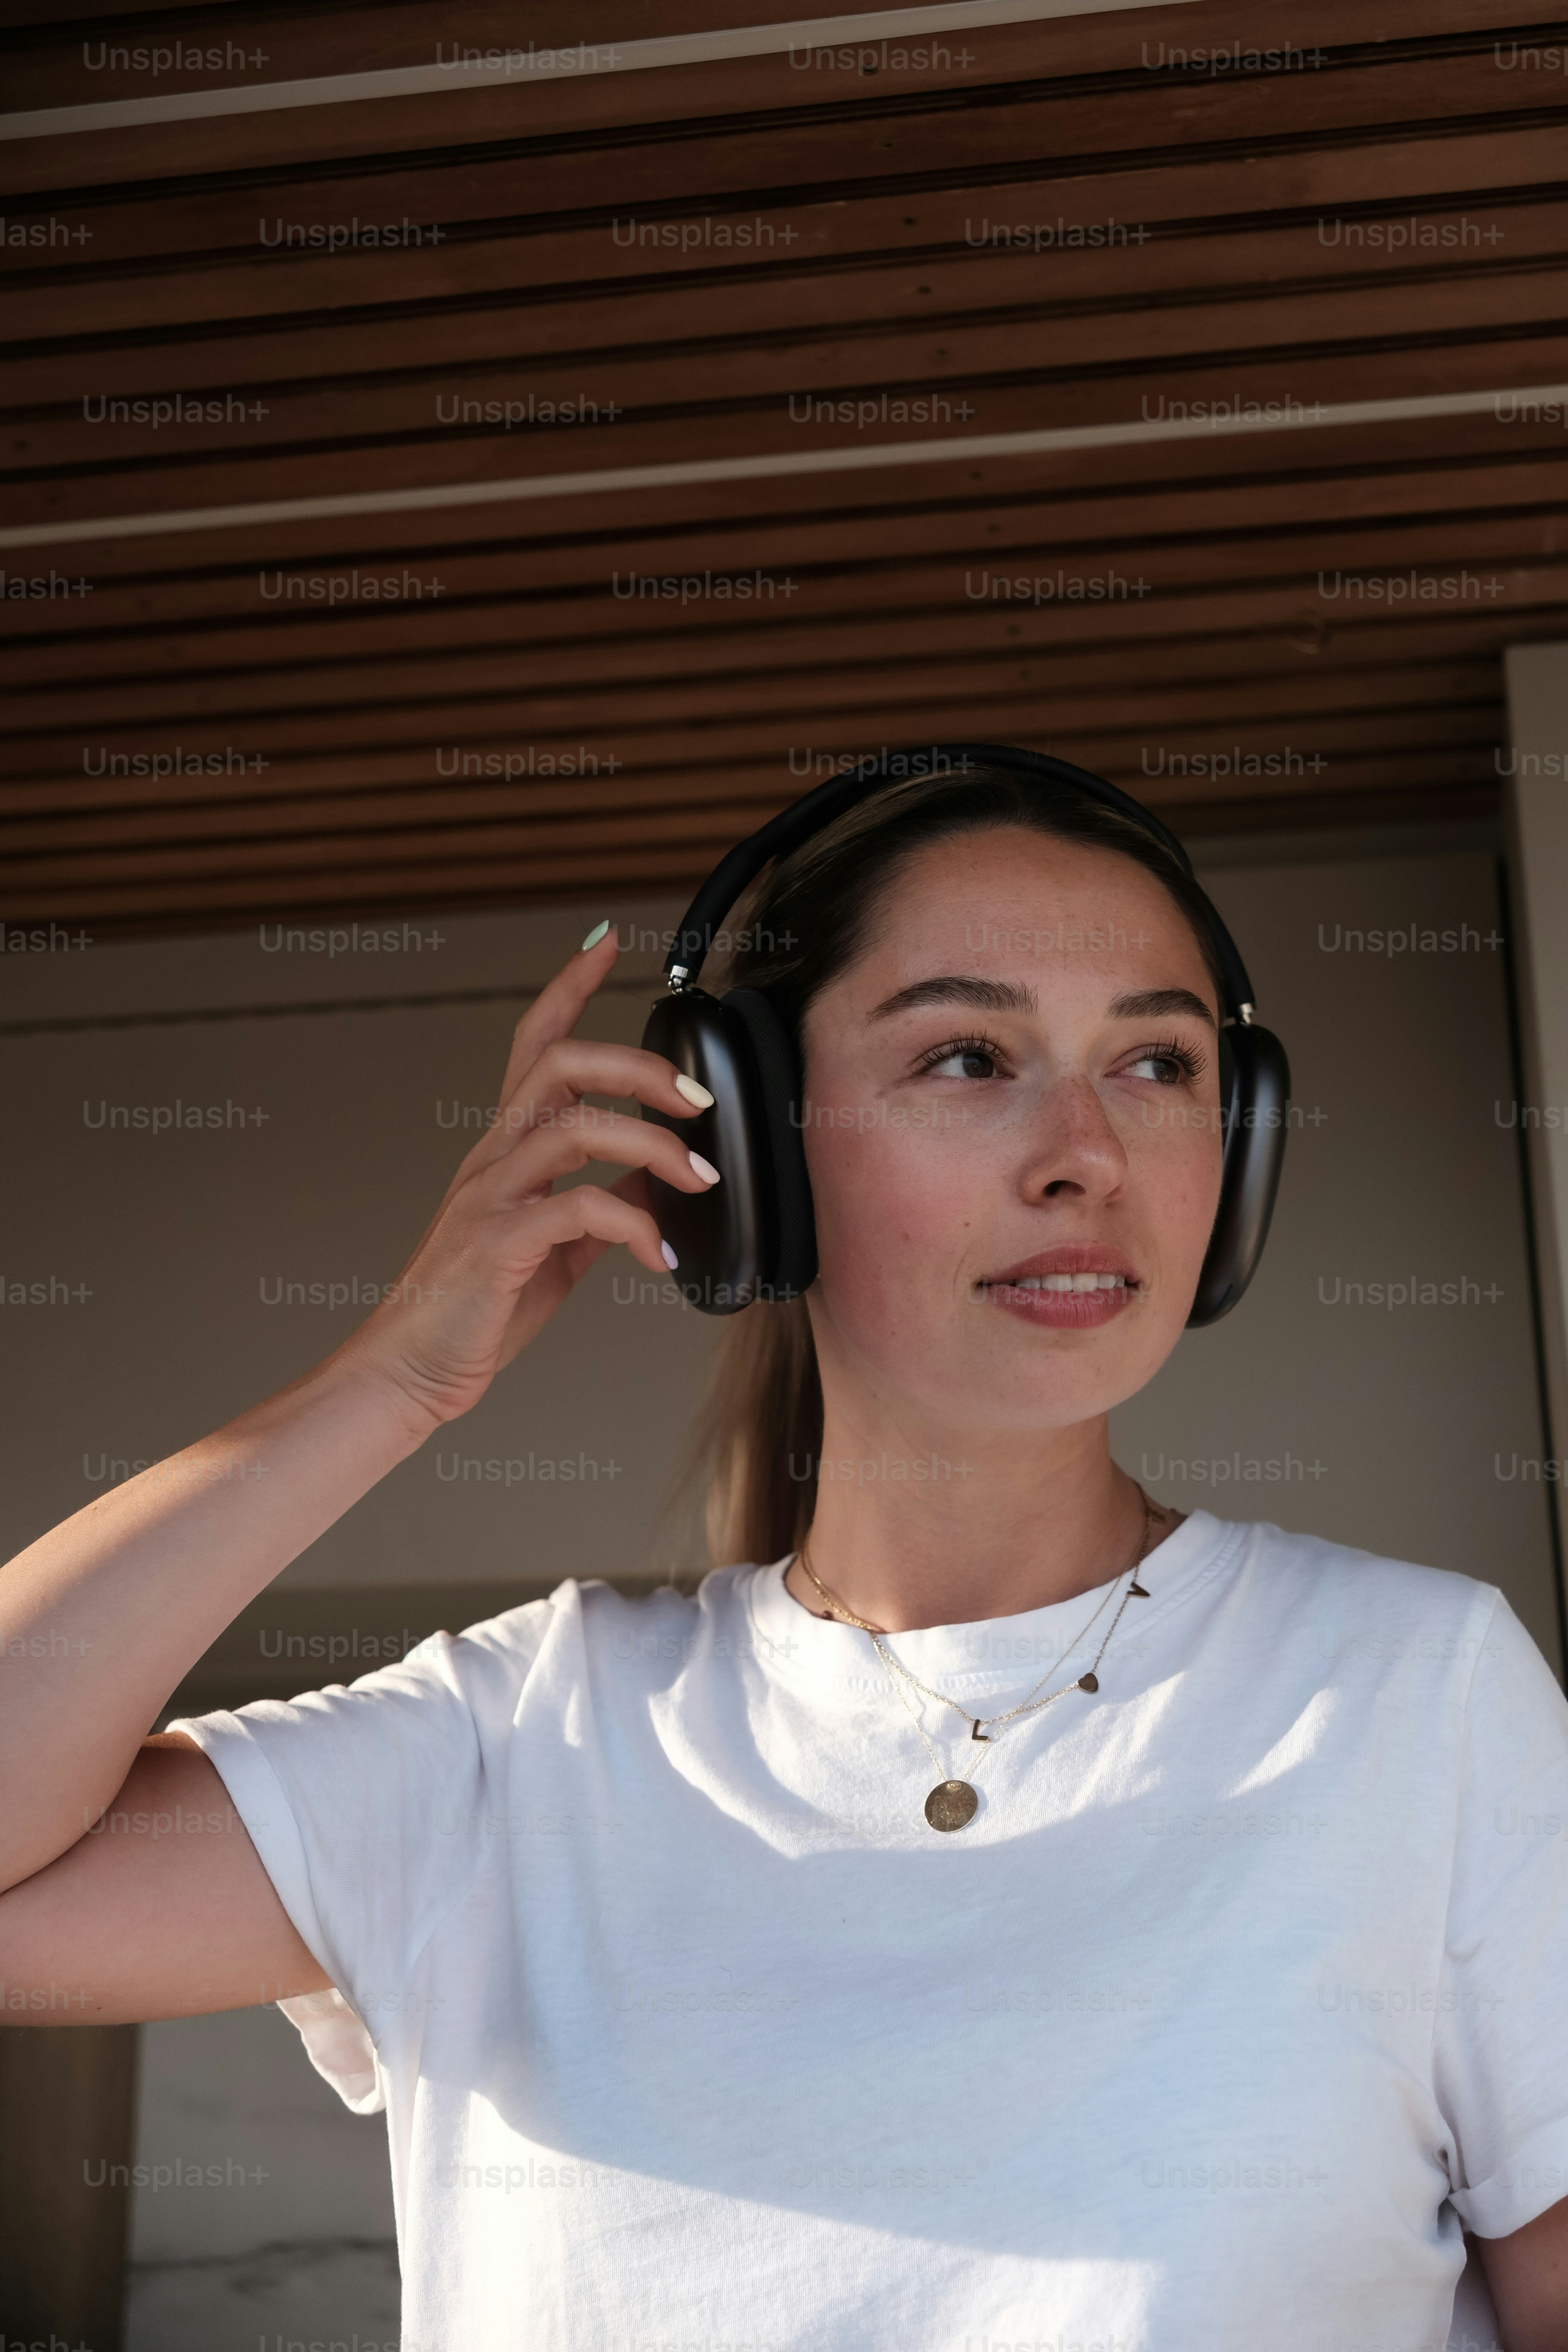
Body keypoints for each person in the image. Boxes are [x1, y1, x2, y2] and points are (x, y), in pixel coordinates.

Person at [3, 760, 1567, 2352]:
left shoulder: (1415, 1697)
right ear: (745, 1145)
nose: (1083, 1153)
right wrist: (397, 1378)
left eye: (1154, 1061)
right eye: (968, 1056)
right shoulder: (515, 1742)